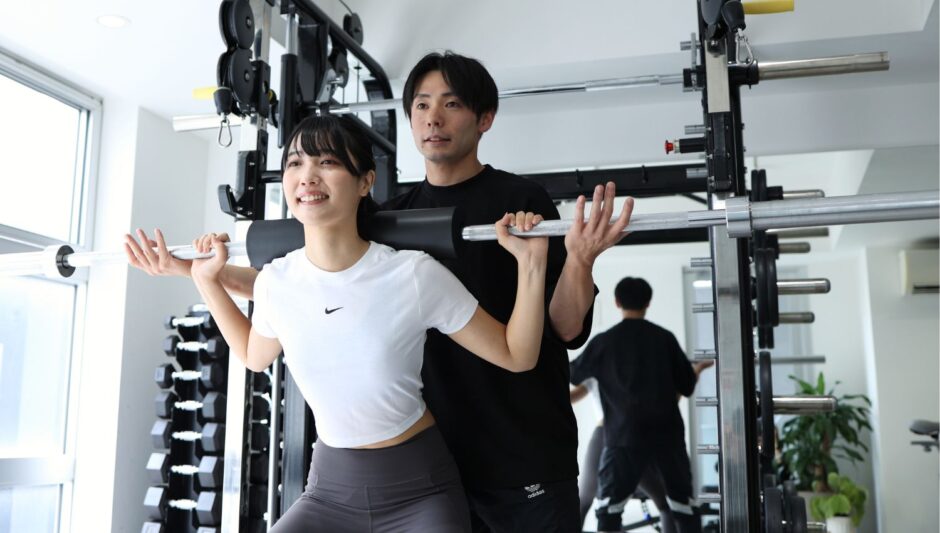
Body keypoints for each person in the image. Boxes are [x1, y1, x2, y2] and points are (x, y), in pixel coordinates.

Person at [125, 51, 634, 532]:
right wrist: (190, 271)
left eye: (451, 103)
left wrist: (580, 259)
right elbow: (306, 292)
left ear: (485, 118)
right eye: (421, 105)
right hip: (434, 450)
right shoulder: (390, 219)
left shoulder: (519, 203)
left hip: (519, 455)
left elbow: (564, 328)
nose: (433, 118)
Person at [186, 114, 549, 531]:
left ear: (365, 182)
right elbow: (254, 356)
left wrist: (531, 265)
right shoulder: (275, 281)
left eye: (327, 162)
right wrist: (206, 281)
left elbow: (516, 354)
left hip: (419, 492)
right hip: (329, 493)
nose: (307, 176)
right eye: (296, 163)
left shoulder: (413, 274)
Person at [569, 277, 709, 533]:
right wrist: (696, 370)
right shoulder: (665, 339)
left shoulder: (604, 342)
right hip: (666, 436)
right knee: (683, 507)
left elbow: (573, 374)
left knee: (609, 512)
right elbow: (687, 387)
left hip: (623, 437)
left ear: (617, 302)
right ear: (648, 303)